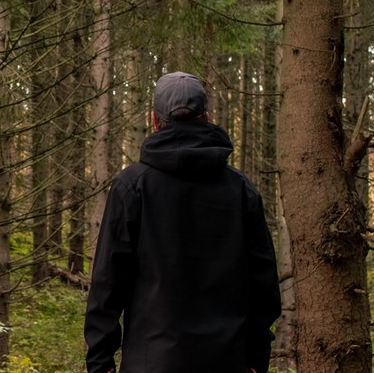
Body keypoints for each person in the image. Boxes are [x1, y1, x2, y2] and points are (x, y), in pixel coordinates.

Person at [84, 71, 281, 373]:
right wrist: (256, 356)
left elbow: (107, 283)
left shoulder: (131, 186)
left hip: (151, 362)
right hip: (227, 361)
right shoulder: (240, 190)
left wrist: (101, 362)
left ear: (154, 119)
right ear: (207, 116)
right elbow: (264, 285)